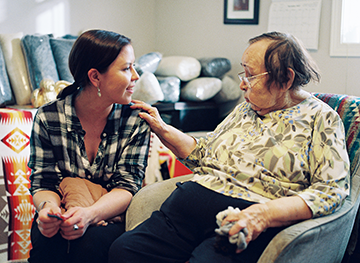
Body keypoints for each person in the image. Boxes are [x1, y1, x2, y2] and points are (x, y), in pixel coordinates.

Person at [108, 32, 350, 263]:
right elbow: (202, 155)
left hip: (238, 224)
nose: (242, 85)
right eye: (242, 73)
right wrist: (162, 128)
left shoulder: (322, 119)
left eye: (251, 76)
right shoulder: (246, 109)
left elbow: (331, 191)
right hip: (182, 215)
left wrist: (263, 214)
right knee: (123, 251)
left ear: (286, 79)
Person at [28, 29, 150, 263]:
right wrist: (47, 210)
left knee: (90, 243)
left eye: (133, 67)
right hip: (63, 206)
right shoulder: (48, 117)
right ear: (95, 77)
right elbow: (43, 181)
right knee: (46, 238)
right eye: (126, 68)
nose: (135, 76)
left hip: (112, 215)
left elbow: (128, 186)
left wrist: (90, 214)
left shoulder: (136, 119)